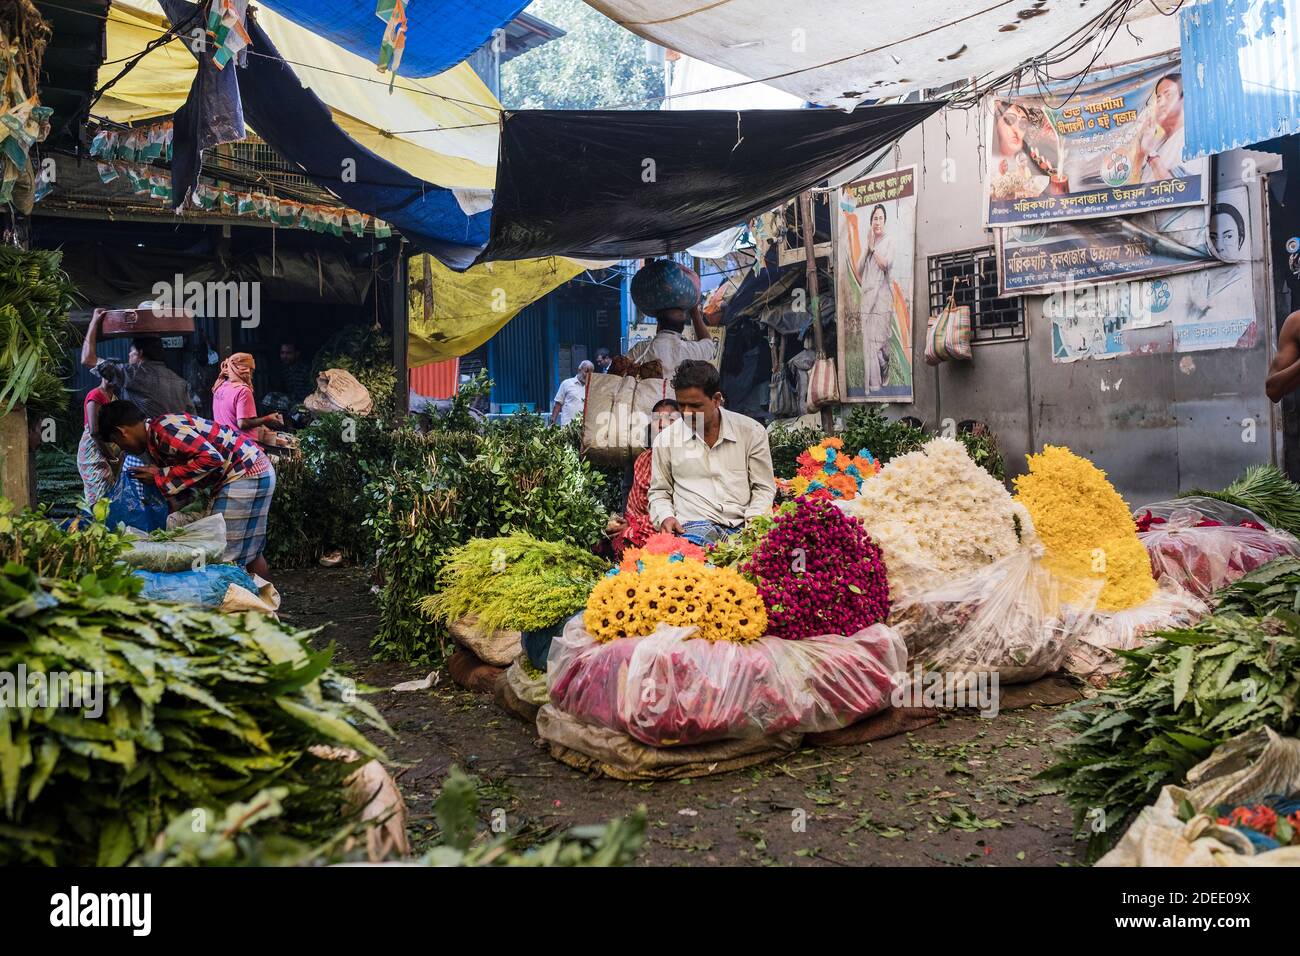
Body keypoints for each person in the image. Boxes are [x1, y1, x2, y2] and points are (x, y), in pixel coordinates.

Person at [98, 401, 277, 577]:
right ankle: (267, 601)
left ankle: (239, 601)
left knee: (223, 550)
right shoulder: (155, 439)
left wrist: (160, 475)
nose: (122, 449)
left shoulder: (164, 429)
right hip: (252, 470)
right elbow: (190, 470)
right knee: (252, 551)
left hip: (245, 473)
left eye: (117, 443)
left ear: (122, 432)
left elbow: (211, 458)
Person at [648, 360, 776, 547]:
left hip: (743, 526)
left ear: (717, 399)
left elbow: (763, 488)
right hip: (691, 529)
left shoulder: (751, 432)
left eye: (695, 406)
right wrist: (666, 517)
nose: (686, 413)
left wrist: (755, 522)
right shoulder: (665, 440)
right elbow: (659, 492)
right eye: (681, 405)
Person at [81, 312, 195, 419]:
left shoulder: (133, 373)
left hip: (148, 438)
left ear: (140, 353)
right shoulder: (180, 382)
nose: (129, 355)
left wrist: (93, 322)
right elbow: (192, 417)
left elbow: (88, 359)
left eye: (131, 351)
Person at [605, 398, 680, 556]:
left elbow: (681, 511)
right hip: (639, 529)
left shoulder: (687, 463)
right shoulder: (643, 460)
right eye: (657, 419)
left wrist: (634, 528)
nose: (662, 424)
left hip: (673, 530)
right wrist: (628, 524)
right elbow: (633, 508)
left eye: (671, 419)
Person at [627, 263, 716, 380]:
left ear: (658, 325)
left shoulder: (640, 349)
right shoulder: (692, 350)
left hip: (646, 398)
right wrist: (694, 312)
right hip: (679, 398)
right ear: (682, 328)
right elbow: (708, 344)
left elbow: (623, 371)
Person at [853, 204, 896, 393]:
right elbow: (858, 269)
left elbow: (886, 264)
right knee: (870, 343)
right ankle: (875, 386)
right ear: (871, 222)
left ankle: (885, 367)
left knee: (882, 344)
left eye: (880, 218)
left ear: (884, 221)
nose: (877, 222)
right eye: (874, 219)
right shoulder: (868, 245)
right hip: (868, 299)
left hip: (883, 299)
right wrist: (867, 249)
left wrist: (874, 249)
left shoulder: (889, 241)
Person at [77, 363, 122, 506]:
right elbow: (94, 432)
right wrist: (112, 457)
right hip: (93, 451)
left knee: (109, 499)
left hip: (108, 450)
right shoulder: (95, 395)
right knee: (98, 499)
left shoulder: (114, 398)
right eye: (106, 374)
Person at [212, 352, 283, 440]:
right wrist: (267, 419)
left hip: (223, 440)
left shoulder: (220, 386)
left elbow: (230, 419)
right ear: (243, 369)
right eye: (251, 371)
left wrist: (260, 425)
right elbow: (242, 423)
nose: (251, 376)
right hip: (242, 445)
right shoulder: (243, 390)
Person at [1133, 73, 1186, 183]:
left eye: (1168, 95)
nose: (1161, 103)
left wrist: (1150, 152)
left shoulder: (1189, 140)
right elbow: (1133, 189)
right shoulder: (1157, 142)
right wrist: (1140, 153)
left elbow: (1179, 189)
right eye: (1158, 98)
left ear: (1184, 100)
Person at [550, 360, 593, 426]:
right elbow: (558, 404)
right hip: (568, 427)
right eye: (586, 371)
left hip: (585, 428)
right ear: (579, 370)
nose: (588, 375)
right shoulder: (566, 383)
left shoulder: (591, 387)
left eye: (590, 373)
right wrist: (551, 424)